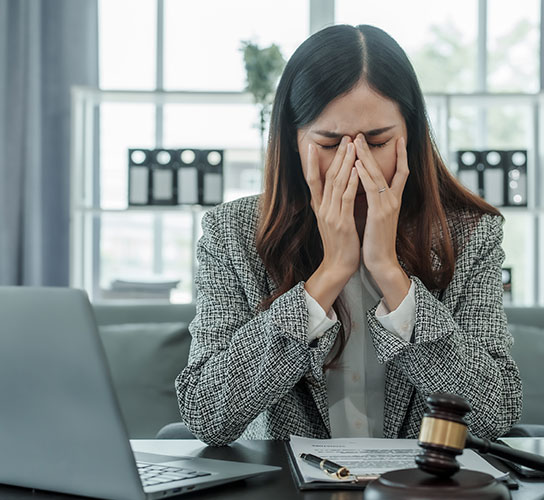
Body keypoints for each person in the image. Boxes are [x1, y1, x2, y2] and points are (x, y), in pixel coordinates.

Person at [175, 24, 522, 446]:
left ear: (410, 138)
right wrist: (328, 276)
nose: (354, 165)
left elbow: (494, 413)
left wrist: (391, 276)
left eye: (376, 142)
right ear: (293, 140)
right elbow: (207, 413)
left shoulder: (469, 234)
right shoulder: (232, 234)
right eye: (328, 143)